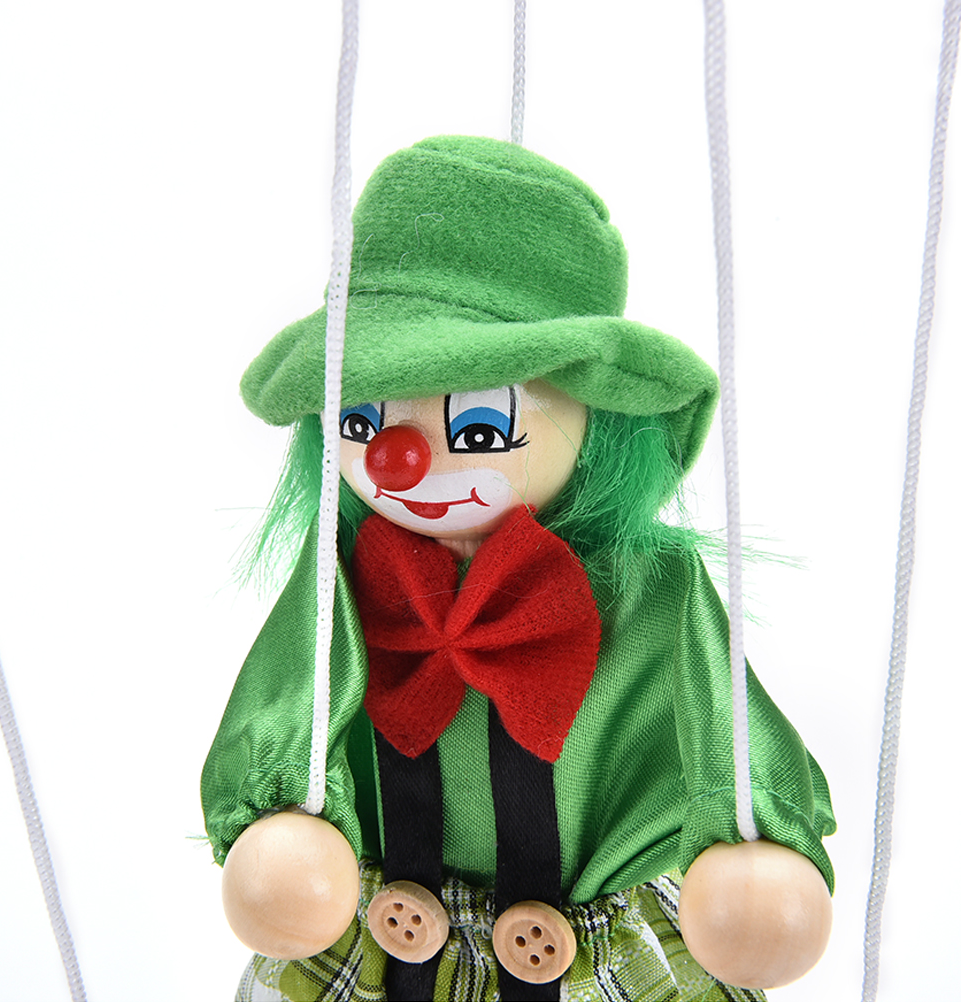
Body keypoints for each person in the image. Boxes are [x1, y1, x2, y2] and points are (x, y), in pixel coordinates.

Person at [202, 135, 835, 1002]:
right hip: (380, 930)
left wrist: (758, 846)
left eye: (478, 428)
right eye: (361, 421)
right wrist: (278, 827)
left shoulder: (649, 586)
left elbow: (725, 724)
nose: (395, 460)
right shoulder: (343, 572)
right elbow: (289, 695)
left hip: (593, 945)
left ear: (600, 418)